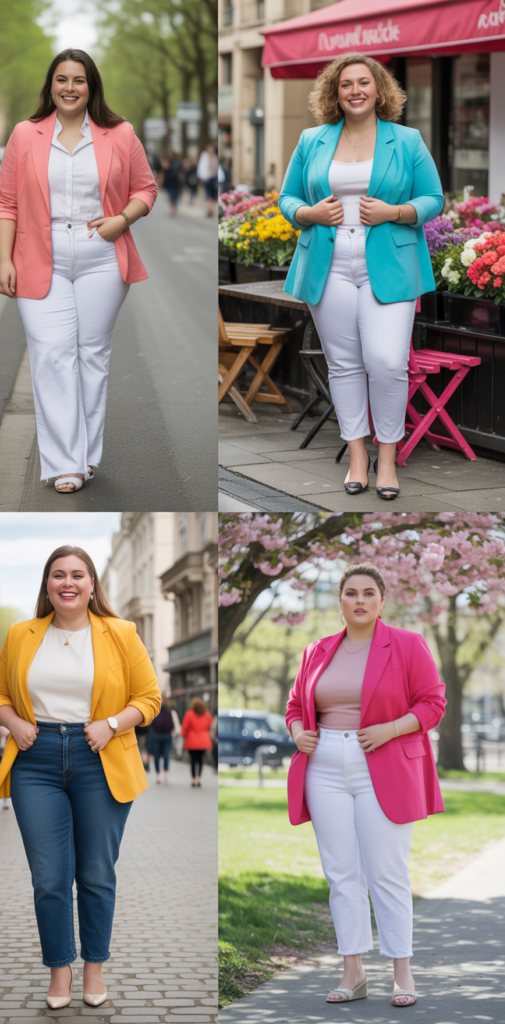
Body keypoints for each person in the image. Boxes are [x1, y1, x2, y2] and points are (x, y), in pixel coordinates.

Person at [0, 545, 161, 1009]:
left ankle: (94, 969)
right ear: (47, 585)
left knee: (97, 873)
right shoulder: (21, 634)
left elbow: (149, 699)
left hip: (98, 756)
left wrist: (112, 724)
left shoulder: (121, 633)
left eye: (77, 575)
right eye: (58, 574)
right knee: (49, 877)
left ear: (92, 585)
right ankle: (59, 971)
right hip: (35, 758)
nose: (68, 582)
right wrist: (13, 721)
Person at [0, 49, 157, 494]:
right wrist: (5, 259)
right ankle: (65, 463)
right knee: (52, 355)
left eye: (79, 80)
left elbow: (145, 187)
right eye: (61, 79)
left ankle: (84, 459)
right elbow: (5, 201)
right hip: (37, 251)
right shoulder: (25, 134)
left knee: (90, 358)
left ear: (92, 87)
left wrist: (121, 221)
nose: (69, 88)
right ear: (50, 86)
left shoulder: (119, 133)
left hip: (100, 251)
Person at [279, 53, 444, 501]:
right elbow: (287, 198)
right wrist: (308, 213)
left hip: (389, 262)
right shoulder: (312, 139)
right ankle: (356, 454)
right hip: (328, 262)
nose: (355, 91)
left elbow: (434, 198)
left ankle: (387, 458)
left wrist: (397, 212)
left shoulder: (406, 140)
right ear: (335, 93)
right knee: (345, 365)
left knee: (388, 362)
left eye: (363, 83)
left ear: (379, 90)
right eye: (346, 84)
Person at [286, 563, 446, 1007]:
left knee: (387, 871)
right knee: (341, 873)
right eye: (351, 592)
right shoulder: (316, 650)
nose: (359, 600)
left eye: (368, 593)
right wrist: (298, 732)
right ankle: (352, 971)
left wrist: (391, 729)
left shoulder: (408, 645)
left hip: (383, 758)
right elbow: (296, 705)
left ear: (381, 601)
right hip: (324, 764)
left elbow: (433, 703)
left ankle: (402, 971)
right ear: (339, 600)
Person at [181, 698, 212, 787]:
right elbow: (208, 726)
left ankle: (193, 779)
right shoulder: (207, 715)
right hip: (203, 741)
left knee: (193, 760)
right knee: (201, 760)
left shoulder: (189, 714)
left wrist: (184, 735)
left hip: (192, 741)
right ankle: (199, 778)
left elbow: (185, 727)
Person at [148, 695, 179, 784]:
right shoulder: (169, 712)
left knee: (156, 756)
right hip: (167, 736)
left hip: (156, 736)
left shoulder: (154, 712)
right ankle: (166, 774)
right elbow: (172, 725)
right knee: (166, 755)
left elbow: (151, 725)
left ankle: (158, 775)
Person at [196, 144, 219, 217]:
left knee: (213, 195)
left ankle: (212, 209)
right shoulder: (205, 157)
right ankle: (209, 209)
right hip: (208, 178)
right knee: (208, 195)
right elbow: (201, 168)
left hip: (214, 178)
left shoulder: (215, 157)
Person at [160, 150, 183, 216]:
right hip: (175, 181)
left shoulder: (167, 162)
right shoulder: (179, 162)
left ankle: (172, 209)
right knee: (175, 195)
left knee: (170, 195)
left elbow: (163, 171)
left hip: (169, 181)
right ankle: (174, 207)